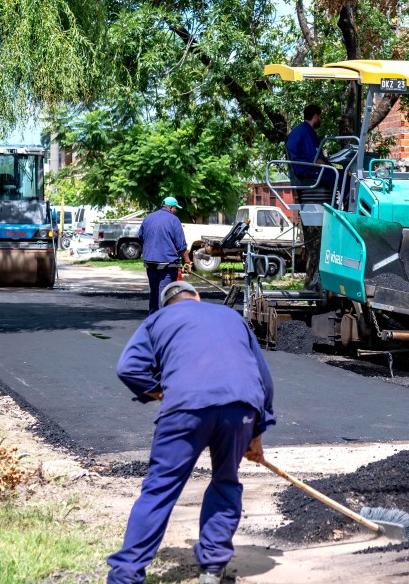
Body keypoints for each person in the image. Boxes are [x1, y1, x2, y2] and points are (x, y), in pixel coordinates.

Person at [107, 280, 276, 584]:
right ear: (196, 298)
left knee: (159, 490)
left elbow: (128, 368)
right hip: (241, 407)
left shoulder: (157, 319)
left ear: (167, 305)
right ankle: (212, 568)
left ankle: (126, 576)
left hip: (185, 409)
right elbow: (264, 379)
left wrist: (158, 392)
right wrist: (257, 435)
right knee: (225, 482)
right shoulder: (231, 317)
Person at [138, 196, 191, 314]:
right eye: (176, 208)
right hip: (167, 263)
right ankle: (163, 321)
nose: (177, 210)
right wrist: (187, 261)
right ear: (171, 208)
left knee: (154, 291)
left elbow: (140, 236)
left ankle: (153, 318)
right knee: (165, 292)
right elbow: (181, 245)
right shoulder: (174, 220)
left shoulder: (148, 218)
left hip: (150, 262)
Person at [286, 104, 336, 188]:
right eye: (320, 117)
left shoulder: (299, 129)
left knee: (338, 173)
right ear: (315, 116)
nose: (321, 120)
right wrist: (332, 168)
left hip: (304, 169)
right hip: (307, 171)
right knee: (343, 176)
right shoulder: (307, 132)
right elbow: (316, 159)